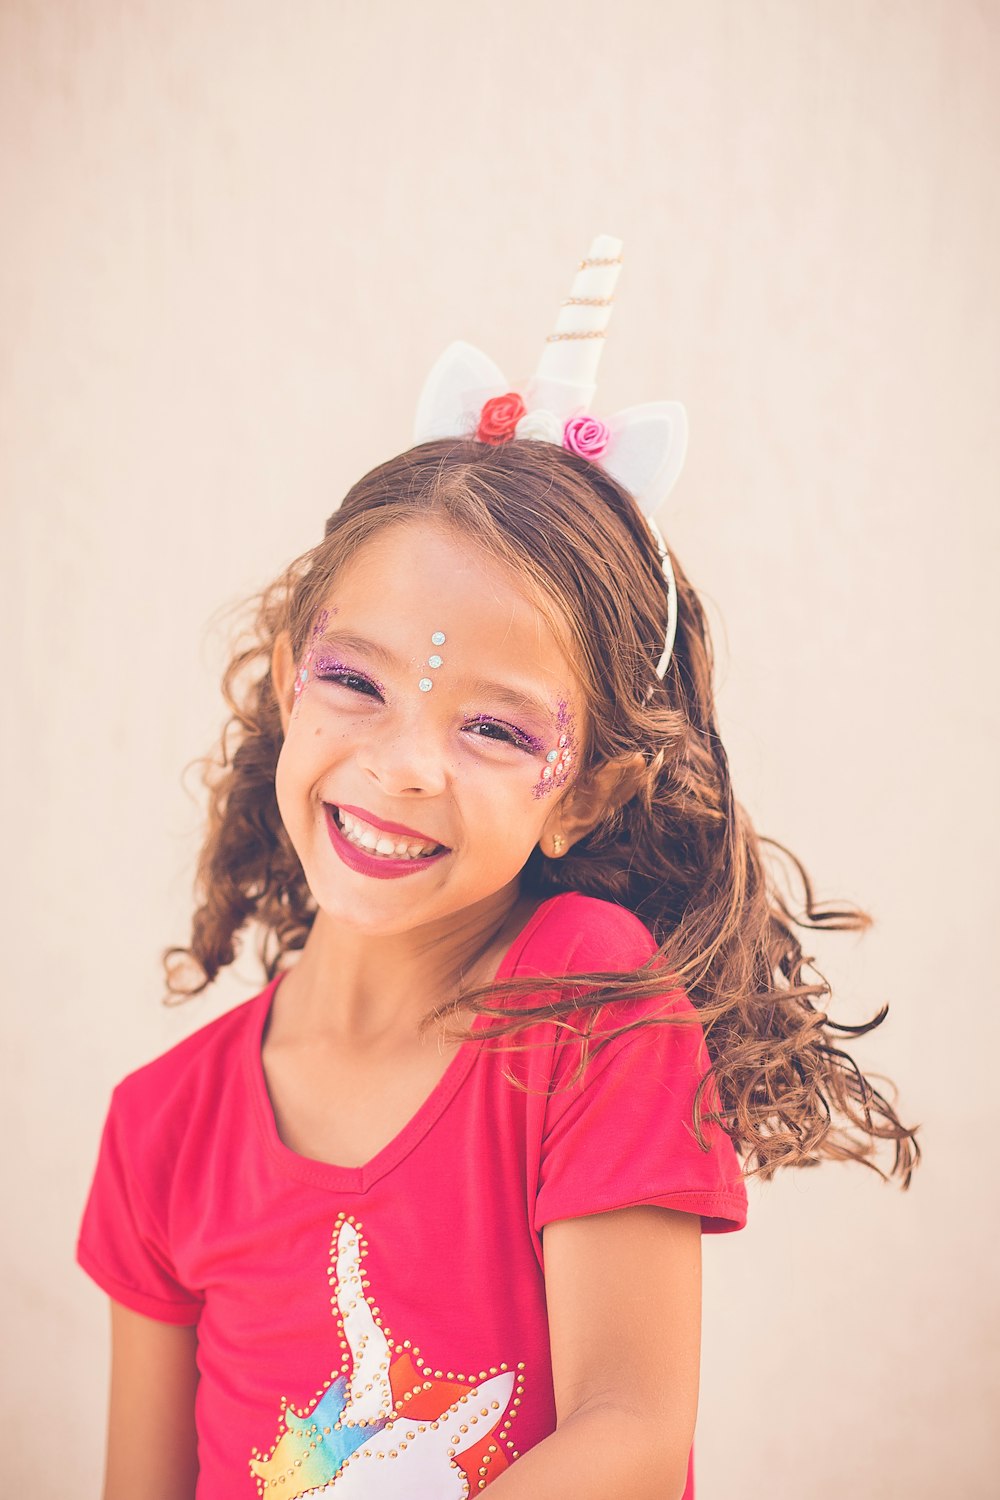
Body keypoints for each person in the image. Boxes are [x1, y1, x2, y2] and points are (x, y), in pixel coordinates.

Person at [76, 235, 920, 1500]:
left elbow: (631, 1438)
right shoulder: (161, 1129)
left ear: (582, 793)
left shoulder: (590, 1009)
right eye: (354, 681)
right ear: (290, 683)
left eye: (493, 729)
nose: (405, 764)